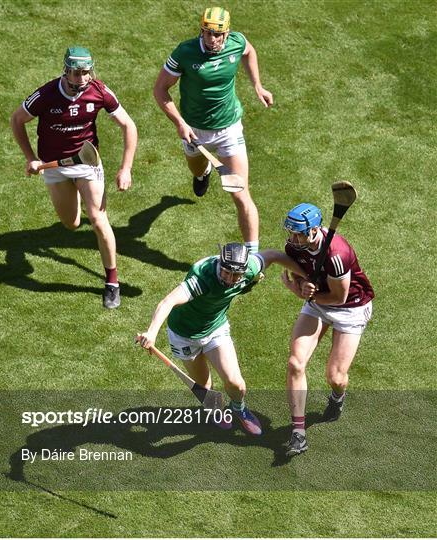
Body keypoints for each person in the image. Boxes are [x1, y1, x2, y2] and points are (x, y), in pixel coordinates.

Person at [11, 46, 138, 309]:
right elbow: (17, 119)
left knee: (98, 219)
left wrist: (125, 168)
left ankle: (112, 282)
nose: (82, 78)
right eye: (77, 73)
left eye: (86, 72)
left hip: (87, 162)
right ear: (65, 71)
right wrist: (30, 157)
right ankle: (74, 200)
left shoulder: (99, 91)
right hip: (54, 166)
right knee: (71, 223)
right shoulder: (46, 95)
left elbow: (129, 125)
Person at [137, 242, 306, 435]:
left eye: (236, 275)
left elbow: (275, 255)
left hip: (215, 329)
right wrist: (151, 332)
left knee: (236, 383)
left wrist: (306, 277)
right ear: (220, 263)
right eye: (226, 273)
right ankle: (214, 408)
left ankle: (239, 408)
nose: (231, 279)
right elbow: (168, 302)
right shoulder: (202, 277)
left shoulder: (249, 267)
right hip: (184, 336)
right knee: (205, 387)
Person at [153, 7, 273, 254]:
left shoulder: (236, 42)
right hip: (194, 132)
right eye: (208, 33)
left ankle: (252, 256)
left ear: (227, 33)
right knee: (196, 169)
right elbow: (160, 90)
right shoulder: (185, 52)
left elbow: (249, 51)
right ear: (202, 31)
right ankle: (202, 173)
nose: (213, 40)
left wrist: (258, 86)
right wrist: (180, 123)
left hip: (229, 129)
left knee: (240, 193)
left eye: (218, 35)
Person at [280, 203, 375, 456]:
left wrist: (305, 295)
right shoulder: (293, 247)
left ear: (313, 231)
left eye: (298, 234)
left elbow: (339, 297)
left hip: (350, 307)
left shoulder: (336, 252)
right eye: (290, 233)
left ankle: (337, 396)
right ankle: (298, 433)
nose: (292, 239)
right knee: (295, 363)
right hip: (319, 303)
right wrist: (301, 284)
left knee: (335, 377)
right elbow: (301, 274)